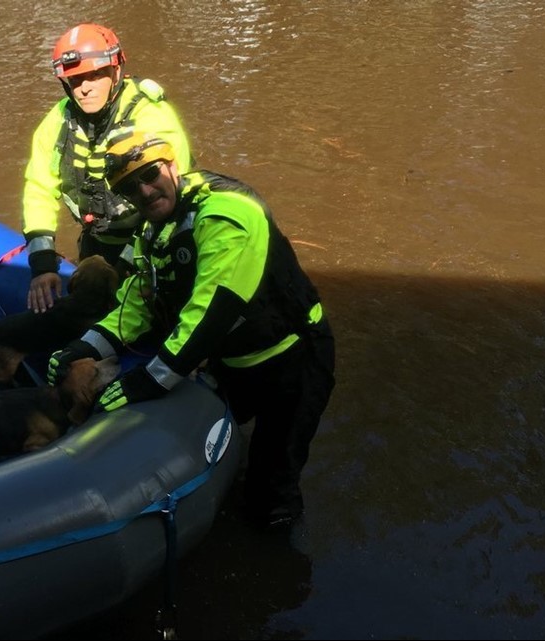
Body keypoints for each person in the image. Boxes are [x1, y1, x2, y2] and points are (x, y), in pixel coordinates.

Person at [47, 132, 336, 527]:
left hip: (291, 360)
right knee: (216, 440)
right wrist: (84, 347)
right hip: (231, 361)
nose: (145, 191)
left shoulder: (226, 214)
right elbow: (136, 302)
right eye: (131, 187)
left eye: (150, 175)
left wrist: (149, 380)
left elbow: (211, 311)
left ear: (172, 167)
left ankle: (273, 545)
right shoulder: (151, 231)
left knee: (273, 481)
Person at [22, 23, 193, 313]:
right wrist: (43, 264)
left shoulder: (150, 116)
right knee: (90, 298)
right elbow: (39, 188)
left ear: (116, 71)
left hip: (152, 240)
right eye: (75, 80)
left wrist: (128, 264)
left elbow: (174, 198)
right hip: (97, 240)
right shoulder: (58, 120)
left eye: (94, 75)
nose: (84, 87)